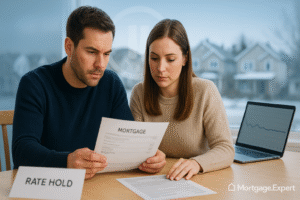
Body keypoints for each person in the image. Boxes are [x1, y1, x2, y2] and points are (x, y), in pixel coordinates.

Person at [12, 6, 165, 179]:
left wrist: (148, 156)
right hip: (50, 187)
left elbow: (128, 142)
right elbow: (22, 150)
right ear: (69, 47)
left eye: (106, 54)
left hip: (98, 186)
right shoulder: (34, 84)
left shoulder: (111, 83)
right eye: (92, 52)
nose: (101, 64)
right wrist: (67, 162)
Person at [130, 19, 235, 181]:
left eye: (170, 59)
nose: (160, 68)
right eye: (154, 58)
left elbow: (226, 149)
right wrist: (145, 159)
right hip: (155, 180)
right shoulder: (139, 92)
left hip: (197, 179)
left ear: (185, 59)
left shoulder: (206, 90)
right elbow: (135, 148)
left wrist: (196, 163)